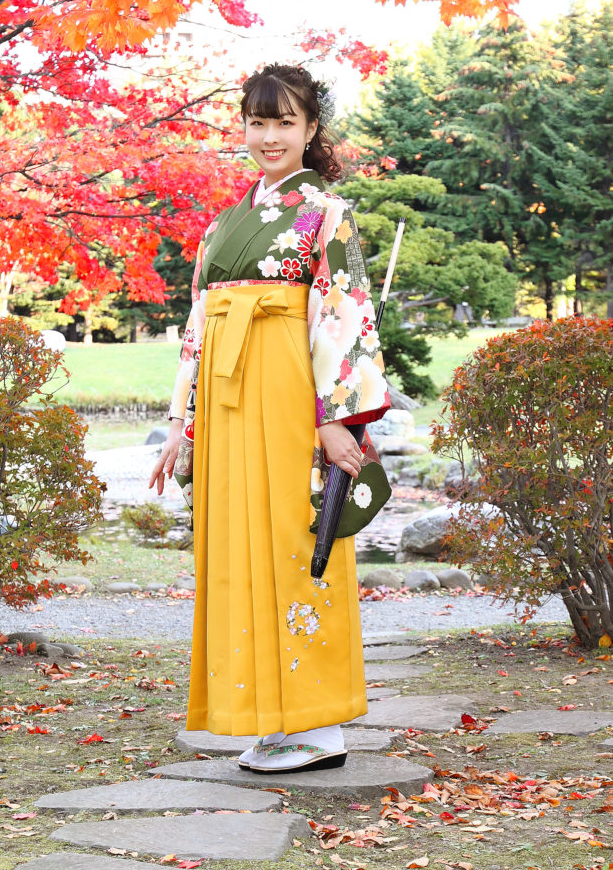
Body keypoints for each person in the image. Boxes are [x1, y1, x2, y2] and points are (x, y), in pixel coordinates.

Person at [150, 63, 391, 774]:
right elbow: (199, 325)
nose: (269, 137)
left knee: (296, 538)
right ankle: (268, 716)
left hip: (292, 395)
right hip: (228, 400)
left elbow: (343, 315)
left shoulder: (326, 212)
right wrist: (181, 423)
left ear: (311, 129)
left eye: (285, 122)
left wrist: (333, 419)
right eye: (257, 123)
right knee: (238, 549)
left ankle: (319, 725)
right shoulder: (223, 225)